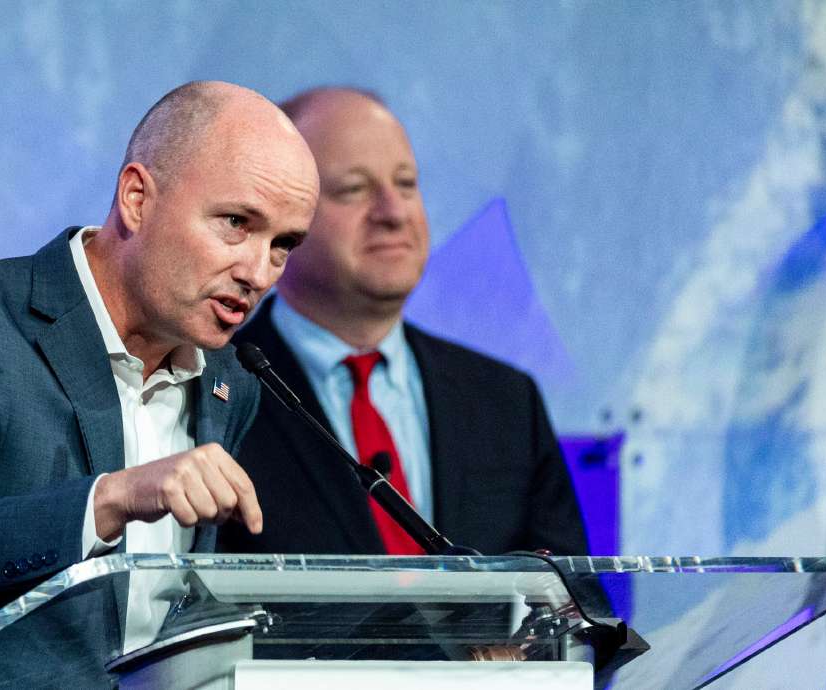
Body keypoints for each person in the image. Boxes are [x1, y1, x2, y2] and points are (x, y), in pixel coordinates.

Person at [0, 81, 319, 689]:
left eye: (283, 245)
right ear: (136, 199)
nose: (258, 271)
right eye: (236, 223)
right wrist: (113, 497)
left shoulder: (229, 382)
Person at [218, 87, 589, 557]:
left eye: (407, 184)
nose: (393, 213)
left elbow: (575, 603)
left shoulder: (507, 402)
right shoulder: (215, 394)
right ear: (283, 220)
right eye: (354, 189)